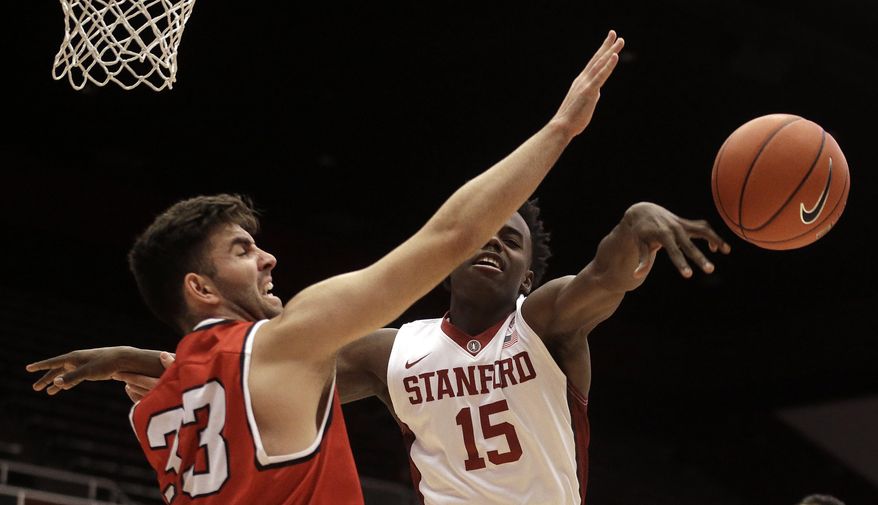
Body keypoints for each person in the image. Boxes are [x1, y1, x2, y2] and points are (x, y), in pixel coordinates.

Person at [27, 30, 626, 505]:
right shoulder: (288, 343)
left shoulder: (154, 408)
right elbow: (451, 236)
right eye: (242, 251)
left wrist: (125, 359)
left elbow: (214, 376)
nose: (268, 257)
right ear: (200, 287)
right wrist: (560, 128)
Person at [30, 199, 730, 504]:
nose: (492, 241)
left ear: (528, 272)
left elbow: (605, 277)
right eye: (484, 230)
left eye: (511, 240)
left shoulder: (545, 323)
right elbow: (256, 373)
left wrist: (637, 223)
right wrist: (136, 357)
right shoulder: (395, 351)